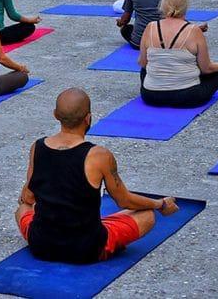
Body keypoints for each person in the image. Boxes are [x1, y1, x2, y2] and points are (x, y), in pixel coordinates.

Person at [15, 88, 179, 263]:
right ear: (88, 118)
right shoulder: (100, 155)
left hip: (41, 245)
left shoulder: (37, 147)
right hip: (87, 249)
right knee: (147, 215)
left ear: (55, 115)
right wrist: (159, 204)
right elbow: (124, 201)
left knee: (22, 209)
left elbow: (28, 197)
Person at [138, 0, 218, 108]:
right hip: (187, 96)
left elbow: (143, 63)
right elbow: (206, 68)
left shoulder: (150, 27)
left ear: (163, 5)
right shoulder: (194, 30)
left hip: (151, 95)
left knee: (145, 70)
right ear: (185, 7)